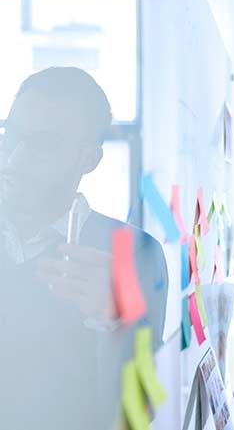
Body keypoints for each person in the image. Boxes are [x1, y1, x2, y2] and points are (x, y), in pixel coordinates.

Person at [0, 67, 167, 429]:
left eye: (43, 144)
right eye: (10, 135)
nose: (13, 159)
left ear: (88, 159)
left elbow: (137, 415)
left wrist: (115, 323)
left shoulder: (134, 254)